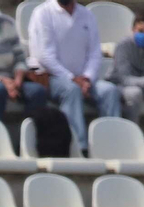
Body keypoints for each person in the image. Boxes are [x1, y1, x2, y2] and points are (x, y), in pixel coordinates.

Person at [28, 0, 120, 153]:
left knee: (109, 91)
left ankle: (111, 146)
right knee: (71, 90)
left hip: (83, 79)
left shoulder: (87, 15)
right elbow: (44, 55)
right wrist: (71, 78)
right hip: (52, 78)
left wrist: (87, 78)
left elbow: (95, 53)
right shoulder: (42, 13)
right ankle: (79, 147)